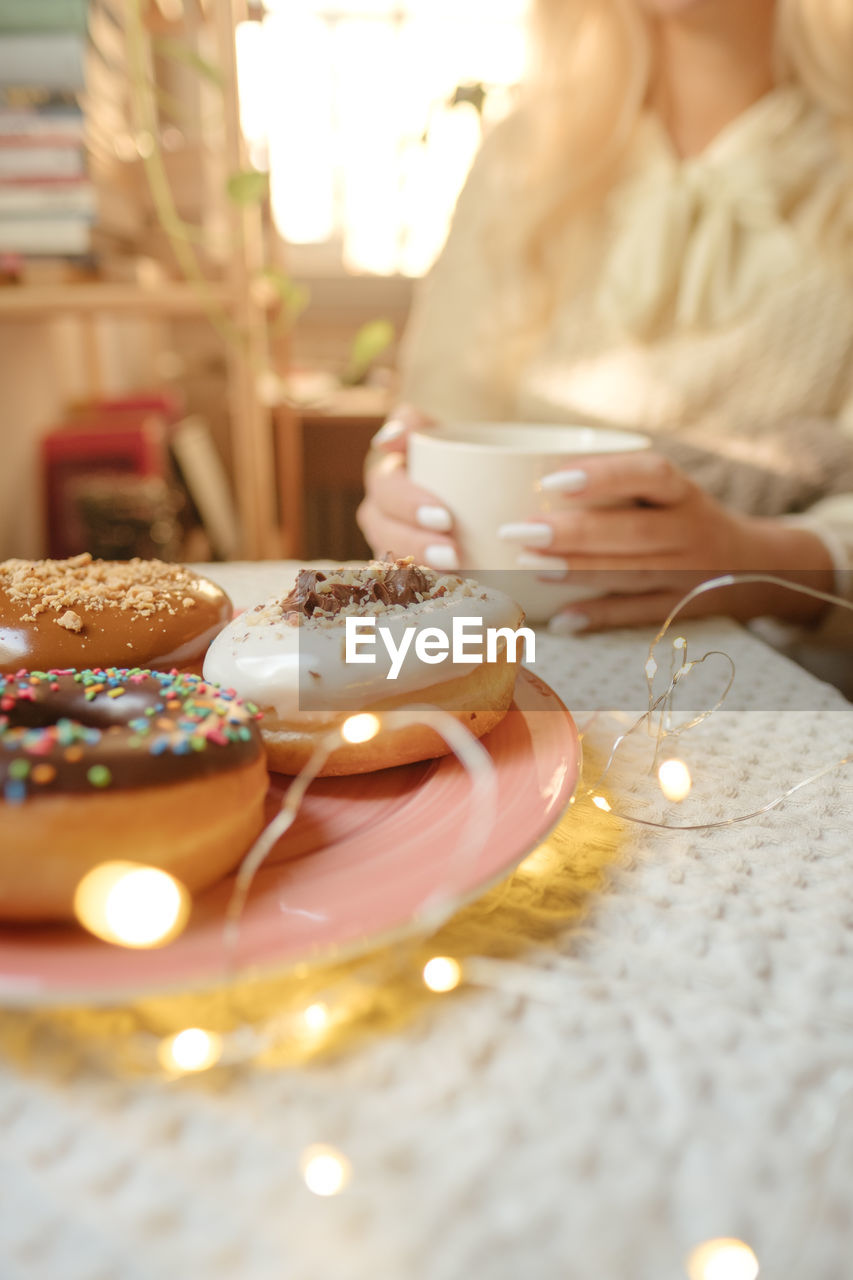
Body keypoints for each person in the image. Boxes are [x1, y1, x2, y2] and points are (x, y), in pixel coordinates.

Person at [357, 0, 853, 639]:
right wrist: (400, 496)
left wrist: (752, 561)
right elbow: (429, 426)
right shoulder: (523, 156)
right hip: (519, 656)